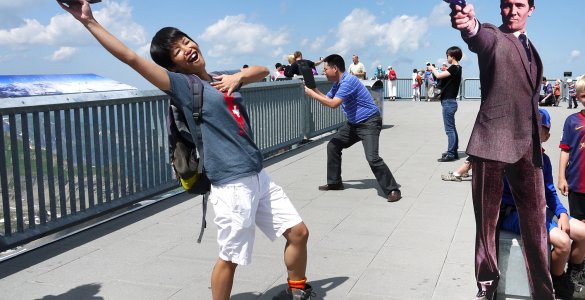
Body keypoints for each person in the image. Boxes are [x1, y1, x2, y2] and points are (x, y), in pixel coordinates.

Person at [57, 2, 312, 300]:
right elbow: (130, 58)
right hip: (231, 183)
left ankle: (296, 291)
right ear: (173, 66)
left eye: (185, 40)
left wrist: (238, 77)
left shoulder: (220, 77)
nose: (187, 47)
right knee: (230, 257)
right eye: (177, 50)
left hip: (257, 172)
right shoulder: (181, 85)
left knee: (298, 232)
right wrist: (90, 21)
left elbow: (264, 69)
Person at [449, 1, 555, 299]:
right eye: (506, 5)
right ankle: (486, 289)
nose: (512, 11)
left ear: (531, 9)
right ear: (500, 9)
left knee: (537, 225)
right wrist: (467, 23)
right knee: (486, 226)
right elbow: (476, 35)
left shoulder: (531, 47)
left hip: (528, 146)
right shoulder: (494, 35)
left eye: (519, 4)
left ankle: (543, 293)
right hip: (491, 141)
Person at [502, 108, 585, 299]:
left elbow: (549, 191)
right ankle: (556, 281)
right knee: (563, 242)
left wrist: (562, 213)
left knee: (582, 232)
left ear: (546, 136)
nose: (531, 133)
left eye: (538, 129)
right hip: (513, 212)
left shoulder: (544, 159)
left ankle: (574, 275)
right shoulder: (510, 158)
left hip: (538, 210)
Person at [303, 54, 402, 203]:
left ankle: (393, 189)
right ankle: (335, 182)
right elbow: (328, 98)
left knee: (372, 158)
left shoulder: (348, 81)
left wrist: (312, 94)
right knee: (333, 146)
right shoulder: (338, 83)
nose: (324, 72)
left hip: (370, 122)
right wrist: (314, 89)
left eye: (325, 69)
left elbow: (333, 104)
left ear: (335, 68)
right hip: (354, 124)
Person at [428, 47, 463, 162]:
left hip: (449, 102)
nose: (446, 57)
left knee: (449, 130)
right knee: (452, 128)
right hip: (450, 101)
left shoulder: (454, 68)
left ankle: (451, 153)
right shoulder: (457, 68)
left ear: (452, 56)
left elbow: (438, 76)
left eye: (447, 55)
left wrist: (432, 68)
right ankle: (453, 151)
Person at [558, 74, 585, 222]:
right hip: (577, 184)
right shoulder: (572, 121)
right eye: (583, 96)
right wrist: (562, 177)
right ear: (578, 97)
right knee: (581, 230)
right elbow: (565, 150)